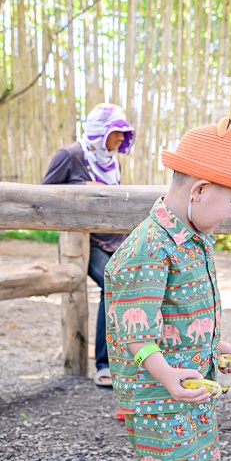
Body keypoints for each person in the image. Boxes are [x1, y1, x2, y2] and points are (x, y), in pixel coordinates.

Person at [105, 116, 231, 461]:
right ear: (199, 190)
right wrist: (167, 375)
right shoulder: (149, 248)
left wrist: (216, 346)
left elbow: (180, 314)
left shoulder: (193, 239)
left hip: (189, 390)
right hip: (162, 400)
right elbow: (135, 332)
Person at [41, 102, 135, 387]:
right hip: (83, 242)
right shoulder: (69, 156)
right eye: (116, 132)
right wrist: (80, 191)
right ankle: (104, 365)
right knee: (114, 281)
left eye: (124, 133)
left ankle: (132, 359)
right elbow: (42, 197)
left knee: (139, 279)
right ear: (99, 132)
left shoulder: (111, 161)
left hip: (114, 239)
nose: (121, 138)